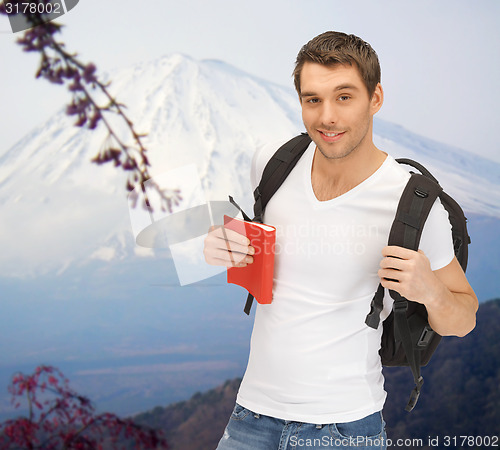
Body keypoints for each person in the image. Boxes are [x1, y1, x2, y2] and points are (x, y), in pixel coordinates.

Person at [204, 31, 478, 450]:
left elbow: (465, 317)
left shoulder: (415, 205)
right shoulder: (275, 163)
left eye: (344, 97)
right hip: (249, 419)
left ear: (376, 98)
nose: (326, 116)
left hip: (344, 431)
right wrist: (225, 247)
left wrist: (431, 291)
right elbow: (274, 264)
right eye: (313, 99)